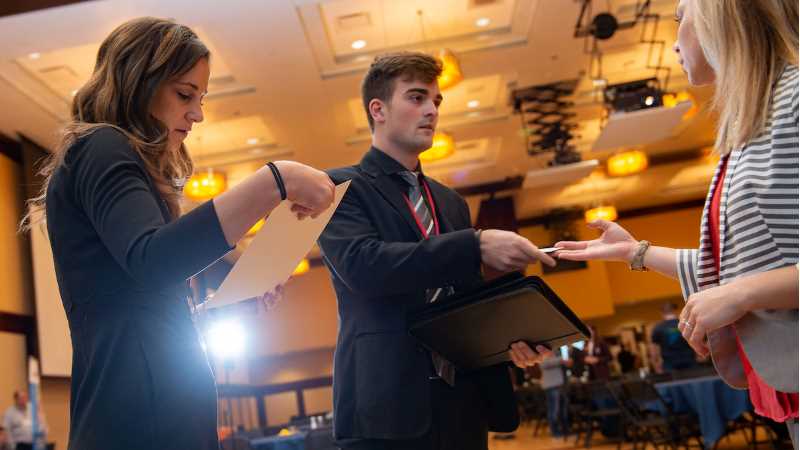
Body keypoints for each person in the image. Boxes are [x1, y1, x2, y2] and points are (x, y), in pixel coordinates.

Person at [20, 17, 335, 450]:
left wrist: (222, 309)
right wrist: (275, 181)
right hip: (139, 425)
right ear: (138, 83)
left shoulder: (108, 155)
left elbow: (143, 315)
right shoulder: (102, 146)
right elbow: (153, 261)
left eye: (200, 99)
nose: (197, 114)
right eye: (185, 95)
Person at [555, 0, 798, 444]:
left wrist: (739, 294)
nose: (673, 43)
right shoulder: (753, 120)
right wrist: (635, 252)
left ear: (722, 15)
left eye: (680, 18)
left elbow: (741, 284)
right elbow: (739, 270)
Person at [318, 51, 554, 450]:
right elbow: (365, 267)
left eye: (436, 101)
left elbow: (467, 301)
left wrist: (515, 335)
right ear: (378, 109)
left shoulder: (451, 202)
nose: (432, 110)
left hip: (464, 399)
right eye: (416, 97)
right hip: (387, 407)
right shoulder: (337, 188)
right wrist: (474, 244)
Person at [651, 303, 698, 372]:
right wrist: (700, 356)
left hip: (669, 365)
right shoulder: (685, 324)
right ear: (675, 311)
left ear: (661, 312)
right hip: (689, 361)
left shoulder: (658, 328)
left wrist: (656, 365)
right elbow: (695, 339)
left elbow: (654, 350)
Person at [540, 354, 568, 437]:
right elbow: (543, 364)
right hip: (551, 386)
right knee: (553, 410)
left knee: (561, 409)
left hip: (559, 385)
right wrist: (560, 360)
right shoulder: (543, 352)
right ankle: (555, 431)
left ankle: (564, 430)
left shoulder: (555, 353)